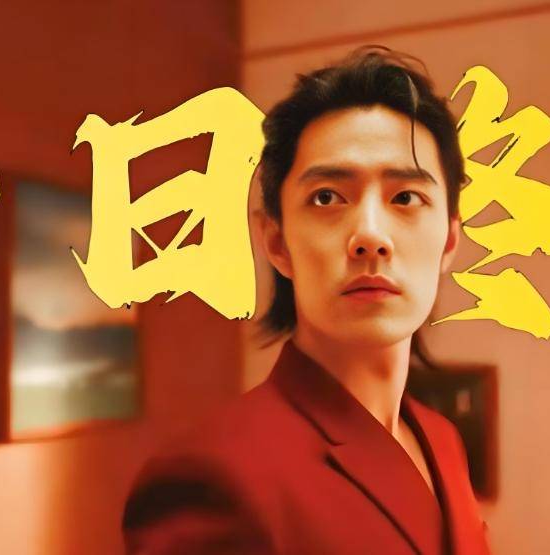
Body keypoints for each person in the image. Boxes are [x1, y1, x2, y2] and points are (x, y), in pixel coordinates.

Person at [122, 46, 492, 555]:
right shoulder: (212, 477)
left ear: (449, 241)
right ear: (276, 242)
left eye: (406, 197)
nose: (370, 236)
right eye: (327, 197)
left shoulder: (441, 439)